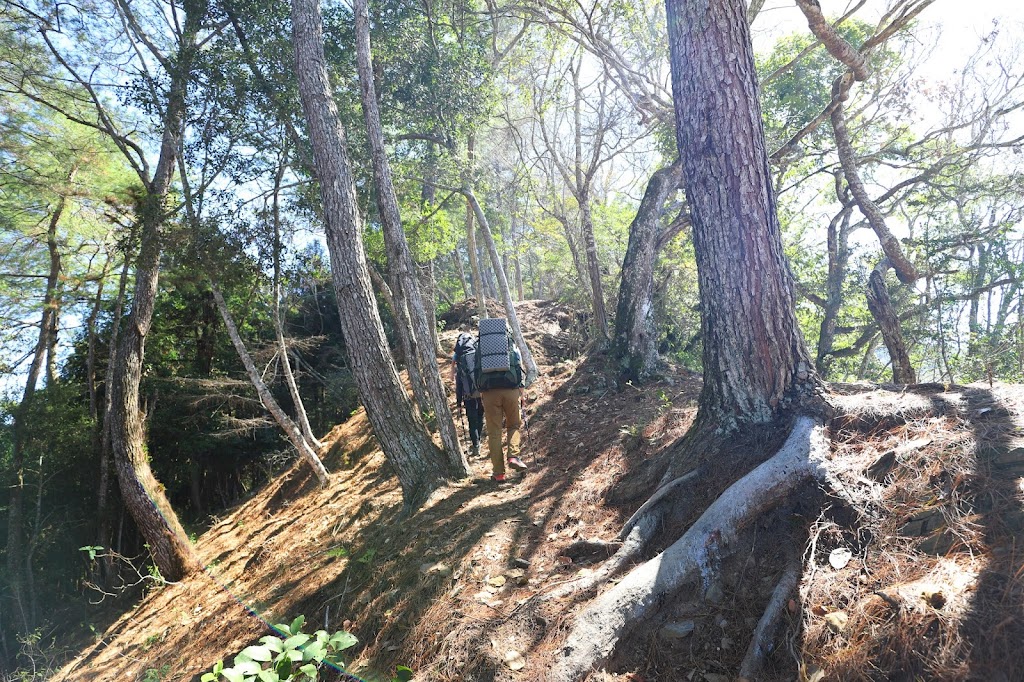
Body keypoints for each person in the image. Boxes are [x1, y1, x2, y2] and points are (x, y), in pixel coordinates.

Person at [474, 326, 528, 482]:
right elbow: (518, 368)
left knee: (494, 433)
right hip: (511, 390)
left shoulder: (480, 347)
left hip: (489, 393)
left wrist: (481, 392)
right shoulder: (509, 344)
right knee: (514, 426)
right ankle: (513, 456)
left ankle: (499, 473)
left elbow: (476, 371)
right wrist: (522, 394)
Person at [451, 331, 484, 458]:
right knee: (480, 417)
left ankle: (476, 445)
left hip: (467, 395)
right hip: (481, 393)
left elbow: (459, 383)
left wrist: (458, 402)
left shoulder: (461, 360)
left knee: (472, 420)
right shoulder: (476, 354)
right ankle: (478, 440)